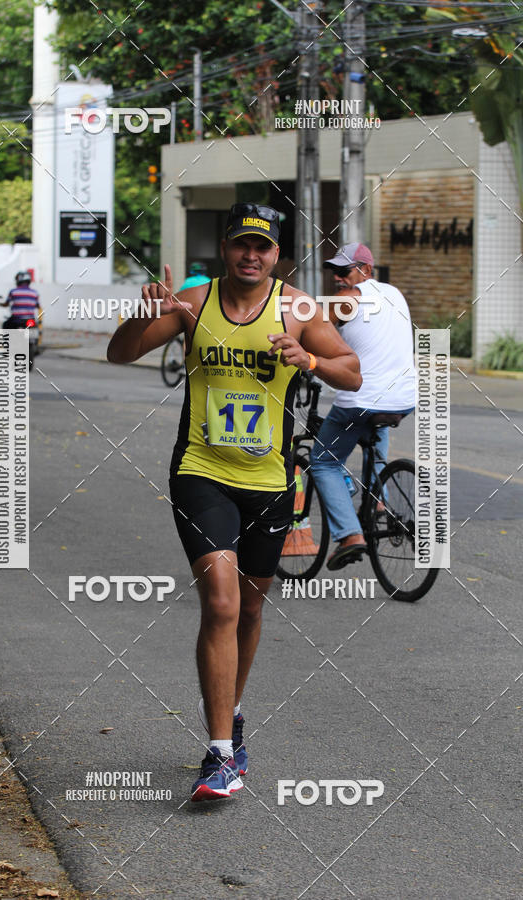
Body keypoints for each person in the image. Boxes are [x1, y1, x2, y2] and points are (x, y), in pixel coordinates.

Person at [107, 203, 361, 801]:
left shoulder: (300, 309)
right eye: (242, 243)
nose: (252, 254)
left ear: (278, 255)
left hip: (270, 482)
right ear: (225, 247)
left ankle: (233, 709)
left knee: (249, 610)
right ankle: (221, 753)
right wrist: (139, 316)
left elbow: (352, 372)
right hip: (202, 471)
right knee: (220, 604)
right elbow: (122, 353)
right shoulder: (193, 302)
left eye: (264, 247)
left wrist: (313, 360)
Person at [309, 242, 416, 571]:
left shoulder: (349, 299)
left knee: (323, 462)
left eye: (345, 271)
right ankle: (377, 499)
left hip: (362, 399)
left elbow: (306, 325)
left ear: (366, 271)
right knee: (373, 428)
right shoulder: (393, 294)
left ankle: (350, 536)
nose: (338, 278)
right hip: (404, 398)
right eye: (334, 272)